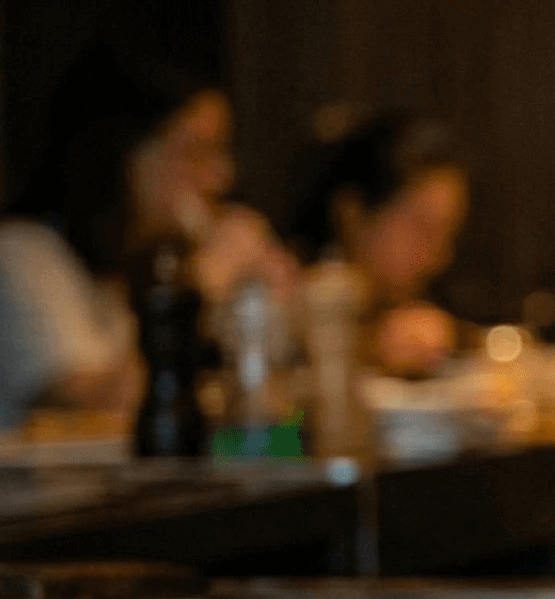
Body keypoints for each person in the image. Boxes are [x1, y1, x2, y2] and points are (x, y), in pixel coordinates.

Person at [0, 43, 295, 430]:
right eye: (196, 153)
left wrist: (275, 300)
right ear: (122, 155)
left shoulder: (167, 255)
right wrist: (201, 285)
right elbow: (106, 410)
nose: (222, 176)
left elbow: (276, 401)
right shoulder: (24, 256)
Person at [291, 113, 471, 379]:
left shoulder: (408, 303)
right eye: (423, 228)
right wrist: (374, 348)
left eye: (449, 234)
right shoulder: (292, 290)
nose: (441, 256)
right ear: (353, 216)